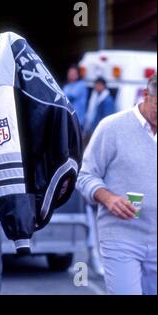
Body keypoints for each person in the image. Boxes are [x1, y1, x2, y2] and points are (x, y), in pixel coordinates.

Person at [77, 75, 157, 295]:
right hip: (121, 237)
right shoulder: (112, 127)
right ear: (146, 95)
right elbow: (85, 176)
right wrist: (108, 198)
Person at [83, 77, 115, 144]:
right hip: (94, 129)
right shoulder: (96, 97)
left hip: (101, 131)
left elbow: (108, 117)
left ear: (103, 86)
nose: (96, 87)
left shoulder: (107, 100)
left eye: (98, 85)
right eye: (96, 84)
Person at [63, 64, 88, 129]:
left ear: (77, 75)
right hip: (68, 119)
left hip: (78, 120)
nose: (71, 74)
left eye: (73, 73)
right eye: (70, 72)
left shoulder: (81, 85)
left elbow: (70, 96)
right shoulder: (67, 86)